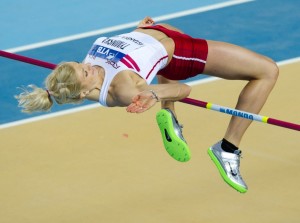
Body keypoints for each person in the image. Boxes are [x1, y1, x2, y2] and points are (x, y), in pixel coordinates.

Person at [16, 16, 279, 193]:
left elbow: (121, 52)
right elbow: (184, 89)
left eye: (79, 64)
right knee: (267, 70)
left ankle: (171, 118)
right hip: (181, 53)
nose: (88, 65)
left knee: (159, 59)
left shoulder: (87, 67)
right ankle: (228, 148)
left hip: (158, 33)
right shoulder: (124, 90)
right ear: (84, 92)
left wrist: (139, 29)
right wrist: (154, 95)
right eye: (85, 73)